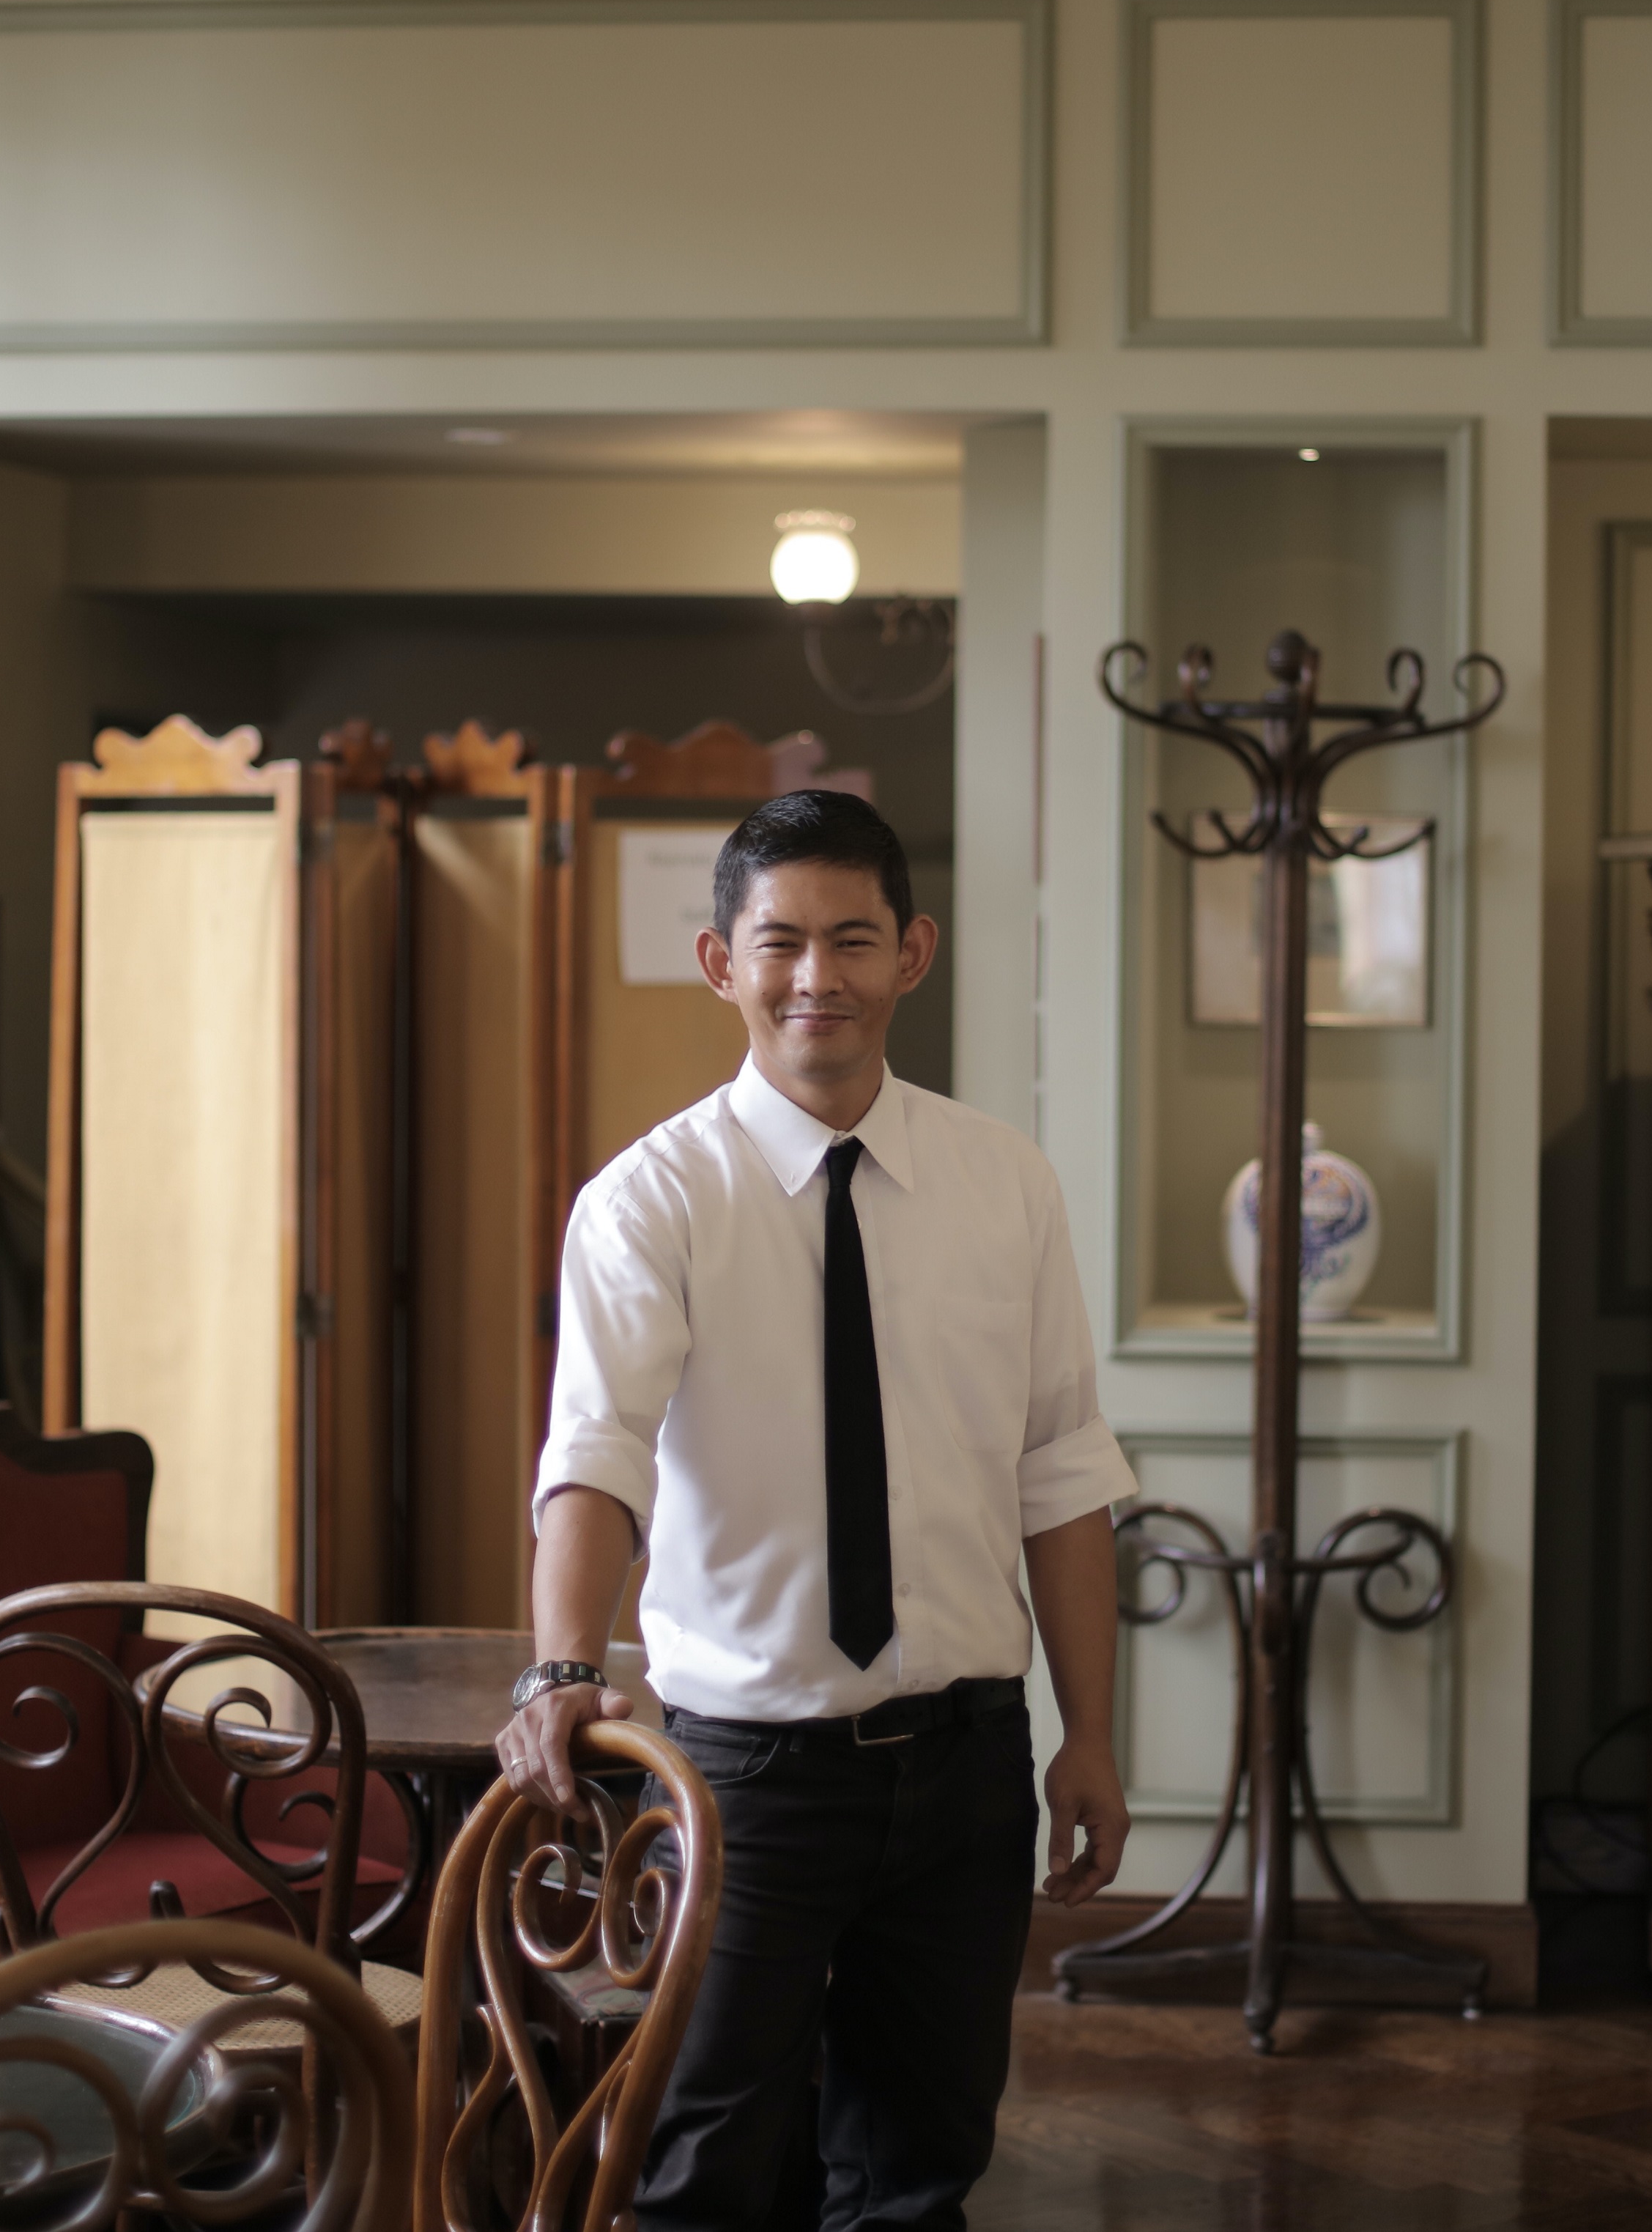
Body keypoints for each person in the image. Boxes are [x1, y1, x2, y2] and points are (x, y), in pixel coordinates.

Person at [495, 787, 1135, 2232]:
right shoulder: (648, 1201)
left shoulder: (1004, 1185)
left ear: (911, 951)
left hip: (967, 1759)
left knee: (916, 2177)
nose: (814, 977)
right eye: (778, 941)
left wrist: (1086, 1732)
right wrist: (559, 1663)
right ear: (719, 961)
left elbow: (1061, 1470)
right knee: (701, 2175)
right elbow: (596, 1454)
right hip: (745, 1781)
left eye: (851, 939)